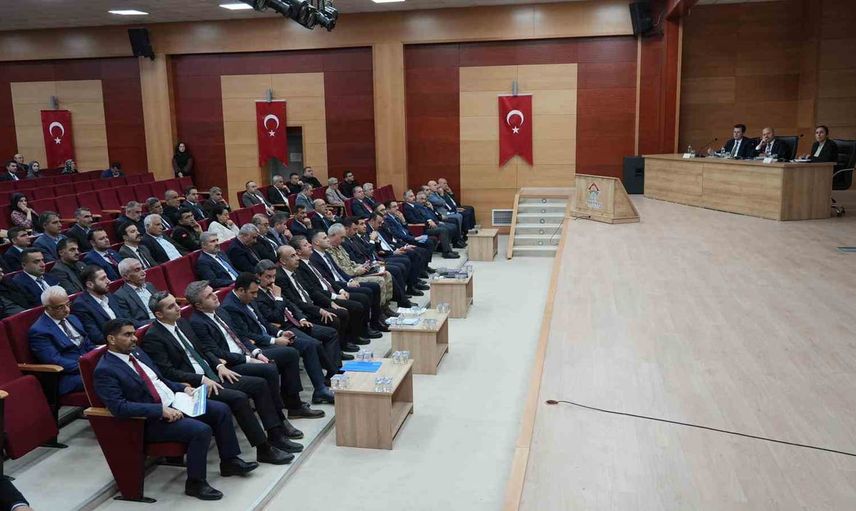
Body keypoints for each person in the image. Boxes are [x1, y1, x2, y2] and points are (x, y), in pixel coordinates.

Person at [95, 319, 254, 501]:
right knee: (200, 430)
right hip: (148, 421)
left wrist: (182, 388)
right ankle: (195, 483)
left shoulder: (137, 353)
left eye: (134, 334)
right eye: (127, 335)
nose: (134, 338)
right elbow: (119, 407)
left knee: (221, 410)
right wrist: (159, 410)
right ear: (111, 339)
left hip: (174, 401)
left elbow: (159, 379)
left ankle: (230, 461)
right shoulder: (105, 370)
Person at [142, 292, 301, 465]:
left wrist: (219, 366)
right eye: (171, 306)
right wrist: (201, 379)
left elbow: (204, 350)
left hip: (213, 373)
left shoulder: (182, 323)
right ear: (159, 314)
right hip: (193, 386)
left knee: (260, 384)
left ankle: (275, 434)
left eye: (176, 303)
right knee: (239, 398)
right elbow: (168, 372)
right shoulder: (153, 337)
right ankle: (263, 449)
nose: (178, 308)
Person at [219, 273, 325, 420]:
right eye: (253, 293)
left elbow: (263, 322)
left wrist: (280, 333)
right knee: (290, 354)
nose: (256, 296)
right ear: (241, 290)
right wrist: (274, 341)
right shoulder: (229, 307)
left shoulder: (249, 298)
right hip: (255, 346)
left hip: (267, 337)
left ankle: (315, 392)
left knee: (307, 345)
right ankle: (294, 405)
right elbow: (245, 334)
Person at [253, 261, 338, 402]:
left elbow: (291, 305)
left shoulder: (273, 288)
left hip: (295, 323)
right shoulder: (257, 295)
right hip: (281, 329)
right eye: (268, 277)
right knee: (312, 344)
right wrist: (278, 298)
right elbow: (275, 317)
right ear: (258, 276)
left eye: (274, 276)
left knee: (330, 333)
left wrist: (302, 318)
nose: (272, 280)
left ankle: (332, 373)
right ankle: (321, 387)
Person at [290, 234, 380, 341]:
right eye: (305, 245)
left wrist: (341, 290)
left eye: (308, 243)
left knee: (366, 294)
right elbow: (314, 290)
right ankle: (354, 336)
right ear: (299, 251)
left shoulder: (310, 261)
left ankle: (367, 328)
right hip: (324, 297)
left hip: (332, 291)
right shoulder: (300, 267)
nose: (310, 245)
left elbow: (327, 278)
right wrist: (335, 297)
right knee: (357, 304)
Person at [309, 230, 390, 328]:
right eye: (325, 238)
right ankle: (367, 327)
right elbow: (328, 279)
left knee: (375, 286)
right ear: (316, 242)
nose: (328, 240)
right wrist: (345, 285)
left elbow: (338, 270)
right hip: (336, 286)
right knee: (366, 294)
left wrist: (350, 280)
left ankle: (377, 320)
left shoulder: (325, 253)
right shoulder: (314, 258)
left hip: (342, 281)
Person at [29, 286, 95, 396]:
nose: (67, 310)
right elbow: (55, 360)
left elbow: (88, 343)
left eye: (68, 304)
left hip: (88, 365)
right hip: (68, 376)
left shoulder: (72, 318)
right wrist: (87, 366)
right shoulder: (39, 331)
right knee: (107, 376)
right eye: (60, 307)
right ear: (47, 308)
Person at [326, 223, 397, 306]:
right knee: (380, 280)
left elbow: (350, 262)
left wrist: (362, 266)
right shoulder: (328, 250)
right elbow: (341, 270)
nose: (343, 240)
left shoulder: (339, 246)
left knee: (386, 274)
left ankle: (386, 304)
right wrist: (359, 270)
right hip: (350, 277)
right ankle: (381, 307)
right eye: (341, 237)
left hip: (355, 272)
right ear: (333, 235)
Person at [71, 266, 123, 345]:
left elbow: (125, 318)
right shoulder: (80, 305)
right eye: (103, 279)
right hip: (113, 344)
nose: (108, 281)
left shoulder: (108, 295)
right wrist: (122, 339)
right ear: (90, 284)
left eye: (106, 277)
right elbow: (96, 337)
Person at [401, 190, 458, 257]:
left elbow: (423, 215)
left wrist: (429, 220)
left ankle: (445, 248)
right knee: (443, 230)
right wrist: (427, 222)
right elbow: (413, 220)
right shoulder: (407, 207)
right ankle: (446, 252)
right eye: (411, 196)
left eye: (413, 195)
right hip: (421, 229)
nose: (413, 197)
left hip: (426, 226)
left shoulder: (415, 205)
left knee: (447, 227)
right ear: (405, 198)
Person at [113, 258, 160, 326]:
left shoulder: (149, 285)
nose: (144, 273)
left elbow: (162, 303)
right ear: (126, 276)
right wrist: (157, 321)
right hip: (149, 327)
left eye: (142, 268)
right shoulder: (120, 296)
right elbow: (130, 322)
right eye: (137, 270)